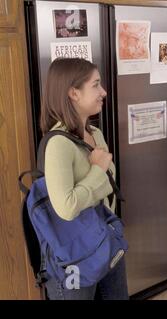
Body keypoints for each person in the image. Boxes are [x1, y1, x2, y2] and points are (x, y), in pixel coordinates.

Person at [40, 58, 129, 300]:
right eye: (96, 85)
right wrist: (98, 171)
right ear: (73, 93)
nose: (104, 92)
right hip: (74, 258)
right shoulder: (58, 144)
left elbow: (106, 190)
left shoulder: (95, 133)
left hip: (105, 243)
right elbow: (66, 208)